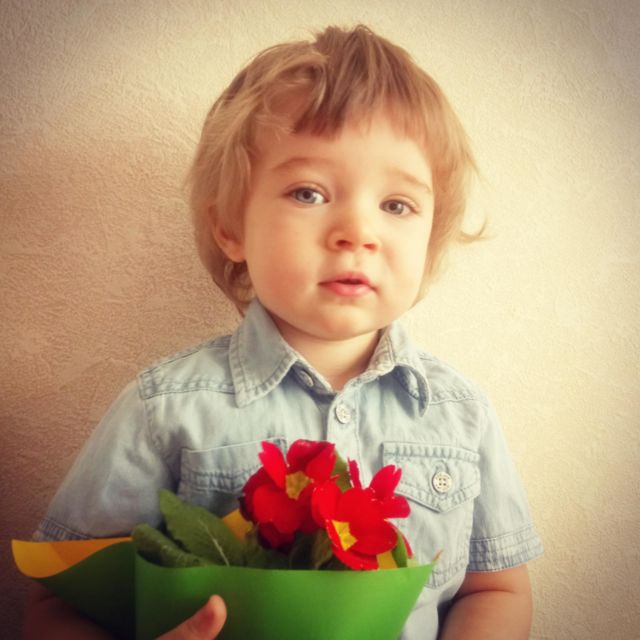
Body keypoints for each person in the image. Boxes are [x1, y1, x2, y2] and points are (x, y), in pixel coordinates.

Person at [25, 24, 543, 639]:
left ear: (430, 238)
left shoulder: (462, 415)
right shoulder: (164, 410)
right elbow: (57, 602)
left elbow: (496, 588)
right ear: (230, 227)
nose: (358, 232)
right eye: (309, 193)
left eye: (396, 205)